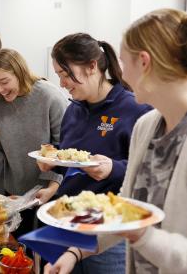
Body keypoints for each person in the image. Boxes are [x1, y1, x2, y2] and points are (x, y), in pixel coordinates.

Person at [44, 9, 187, 274]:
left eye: (122, 62)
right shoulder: (148, 126)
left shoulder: (136, 113)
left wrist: (141, 235)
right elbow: (123, 205)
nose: (122, 75)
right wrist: (76, 251)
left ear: (144, 62)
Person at [37, 33, 151, 274]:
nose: (62, 83)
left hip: (109, 233)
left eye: (66, 74)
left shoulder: (135, 109)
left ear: (92, 67)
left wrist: (114, 168)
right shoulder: (73, 110)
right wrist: (53, 162)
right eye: (59, 75)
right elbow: (73, 161)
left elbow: (149, 172)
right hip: (67, 224)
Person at [0, 49, 67, 239]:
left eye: (4, 82)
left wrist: (52, 186)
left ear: (20, 72)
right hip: (13, 194)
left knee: (42, 257)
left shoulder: (50, 97)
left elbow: (63, 147)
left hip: (49, 194)